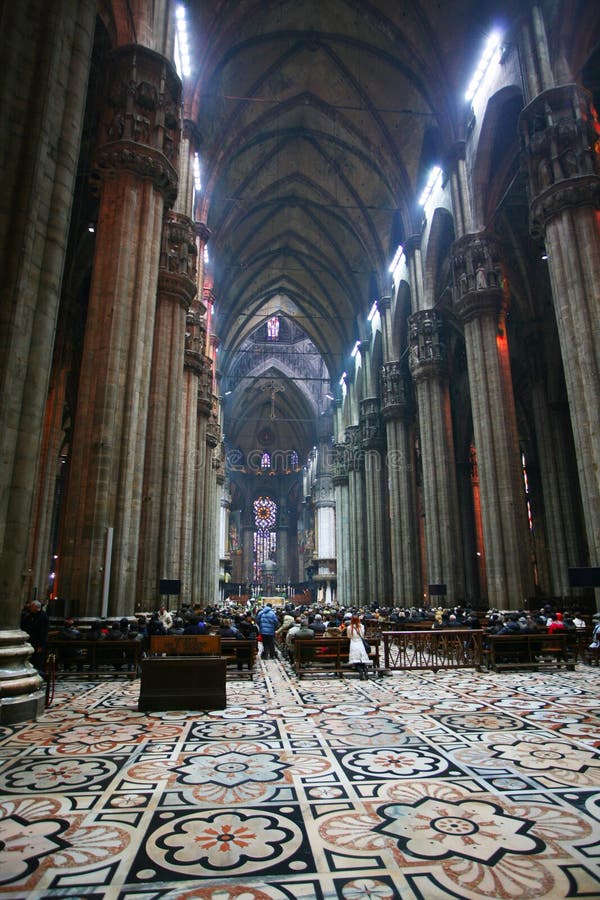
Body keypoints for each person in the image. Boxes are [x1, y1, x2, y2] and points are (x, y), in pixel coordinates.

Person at [20, 599, 49, 676]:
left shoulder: (43, 617)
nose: (29, 608)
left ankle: (39, 677)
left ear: (35, 607)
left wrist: (41, 645)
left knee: (37, 662)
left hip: (38, 643)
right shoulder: (29, 615)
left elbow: (43, 633)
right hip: (30, 641)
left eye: (31, 607)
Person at [347, 614, 371, 679]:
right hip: (360, 643)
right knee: (361, 658)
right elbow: (362, 635)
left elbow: (349, 636)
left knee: (356, 659)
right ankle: (365, 670)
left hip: (353, 643)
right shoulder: (361, 626)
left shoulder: (349, 627)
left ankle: (360, 671)